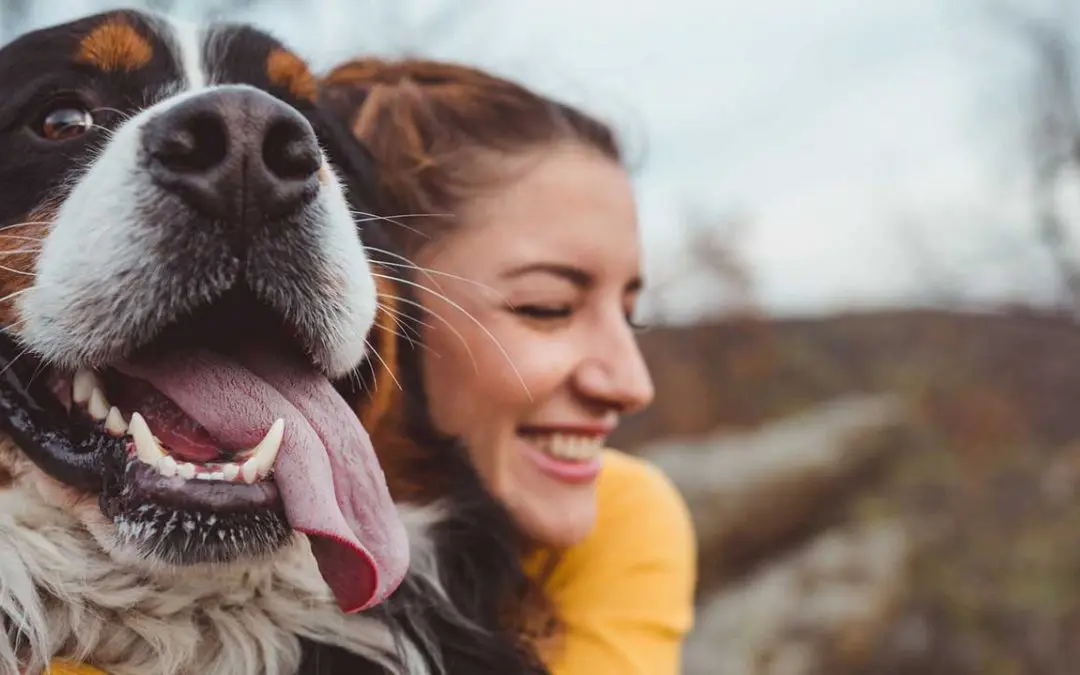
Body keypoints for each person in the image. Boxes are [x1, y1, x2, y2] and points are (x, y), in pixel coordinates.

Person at [319, 59, 697, 674]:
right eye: (549, 308)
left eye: (630, 315)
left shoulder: (618, 513)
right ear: (370, 308)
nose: (632, 385)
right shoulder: (121, 557)